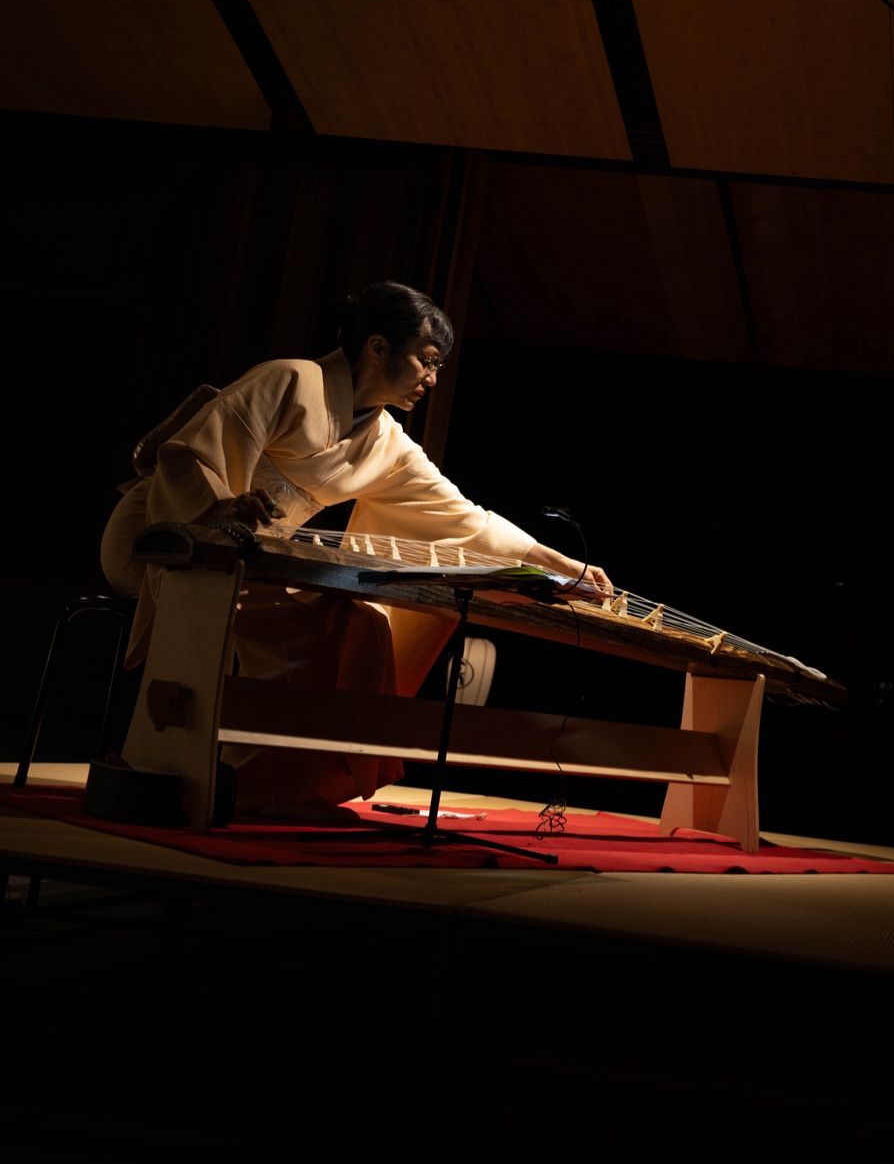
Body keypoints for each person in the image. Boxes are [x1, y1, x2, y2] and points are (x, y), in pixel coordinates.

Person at [99, 280, 613, 819]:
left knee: (358, 624)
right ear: (377, 346)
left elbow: (462, 517)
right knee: (305, 639)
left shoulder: (387, 442)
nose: (433, 379)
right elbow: (189, 456)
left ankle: (286, 785)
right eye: (427, 360)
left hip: (249, 558)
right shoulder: (291, 379)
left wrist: (558, 563)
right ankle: (231, 785)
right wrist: (222, 507)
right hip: (169, 534)